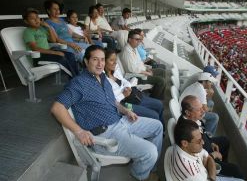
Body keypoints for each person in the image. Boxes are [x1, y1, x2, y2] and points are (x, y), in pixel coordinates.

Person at [51, 45, 163, 181]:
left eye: (102, 60)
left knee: (157, 126)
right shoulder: (78, 83)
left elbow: (113, 101)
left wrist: (126, 111)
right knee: (150, 152)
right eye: (95, 59)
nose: (100, 64)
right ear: (86, 61)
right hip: (106, 132)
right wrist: (79, 131)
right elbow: (57, 108)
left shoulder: (103, 77)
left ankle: (150, 168)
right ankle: (138, 176)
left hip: (121, 120)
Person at [177, 95, 244, 179]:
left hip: (206, 149)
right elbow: (198, 157)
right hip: (206, 159)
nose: (203, 111)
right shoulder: (186, 130)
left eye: (202, 108)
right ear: (188, 112)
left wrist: (210, 142)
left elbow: (202, 134)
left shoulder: (192, 119)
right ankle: (222, 169)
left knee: (225, 140)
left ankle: (223, 162)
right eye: (199, 109)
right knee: (236, 171)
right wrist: (213, 155)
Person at [104, 49, 165, 128]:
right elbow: (111, 99)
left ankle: (162, 130)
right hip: (123, 103)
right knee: (154, 115)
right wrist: (123, 94)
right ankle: (156, 130)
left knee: (159, 105)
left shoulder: (115, 69)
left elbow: (124, 81)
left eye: (115, 60)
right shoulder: (102, 78)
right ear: (104, 61)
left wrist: (127, 87)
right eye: (111, 60)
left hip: (132, 95)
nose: (115, 62)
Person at [169, 118, 244, 181]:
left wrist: (210, 172)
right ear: (185, 143)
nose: (203, 142)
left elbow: (208, 157)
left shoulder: (187, 148)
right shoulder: (192, 174)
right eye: (199, 141)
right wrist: (207, 167)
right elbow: (208, 158)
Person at [22, 8, 79, 76]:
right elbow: (35, 48)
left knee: (70, 55)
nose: (36, 20)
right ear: (26, 21)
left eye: (37, 17)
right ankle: (75, 79)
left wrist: (48, 27)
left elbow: (53, 40)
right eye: (32, 18)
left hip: (48, 54)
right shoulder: (28, 31)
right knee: (61, 58)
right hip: (38, 57)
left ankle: (77, 77)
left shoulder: (42, 29)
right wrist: (55, 52)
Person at [120, 30, 166, 100]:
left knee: (162, 71)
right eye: (136, 39)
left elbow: (140, 62)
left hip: (143, 71)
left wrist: (147, 69)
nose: (139, 42)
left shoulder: (134, 49)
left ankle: (158, 93)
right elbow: (132, 69)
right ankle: (154, 99)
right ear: (129, 39)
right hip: (136, 77)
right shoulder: (127, 52)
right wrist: (147, 72)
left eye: (139, 40)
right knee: (161, 81)